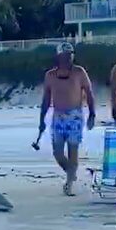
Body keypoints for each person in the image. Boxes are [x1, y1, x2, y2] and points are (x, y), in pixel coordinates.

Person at [39, 42, 95, 196]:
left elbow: (89, 93)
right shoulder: (50, 75)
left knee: (73, 150)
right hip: (58, 116)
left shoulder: (79, 72)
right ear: (58, 57)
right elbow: (46, 100)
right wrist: (41, 121)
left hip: (75, 116)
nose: (68, 58)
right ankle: (71, 172)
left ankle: (69, 182)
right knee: (57, 152)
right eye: (65, 56)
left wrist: (92, 114)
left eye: (70, 55)